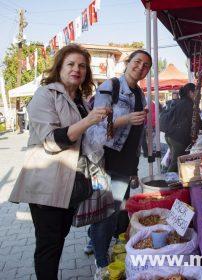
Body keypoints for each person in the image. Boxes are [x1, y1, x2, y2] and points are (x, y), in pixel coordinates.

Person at [8, 44, 109, 280]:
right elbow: (51, 142)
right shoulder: (46, 94)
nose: (77, 69)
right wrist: (88, 122)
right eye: (71, 64)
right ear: (60, 67)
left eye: (82, 66)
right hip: (47, 183)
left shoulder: (80, 100)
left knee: (59, 238)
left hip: (71, 184)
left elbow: (86, 138)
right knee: (48, 246)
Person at [83, 49, 151, 279]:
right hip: (104, 161)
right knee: (107, 214)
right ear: (128, 63)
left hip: (124, 164)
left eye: (146, 65)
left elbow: (135, 139)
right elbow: (96, 127)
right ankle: (102, 264)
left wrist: (134, 169)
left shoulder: (140, 95)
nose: (140, 67)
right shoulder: (110, 87)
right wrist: (125, 119)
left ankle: (93, 242)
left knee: (110, 212)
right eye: (137, 61)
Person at [161, 83, 202, 172]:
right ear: (191, 92)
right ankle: (168, 182)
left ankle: (174, 179)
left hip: (170, 135)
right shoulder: (189, 104)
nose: (199, 95)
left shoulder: (181, 101)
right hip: (177, 138)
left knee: (174, 161)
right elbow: (197, 121)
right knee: (176, 162)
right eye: (197, 92)